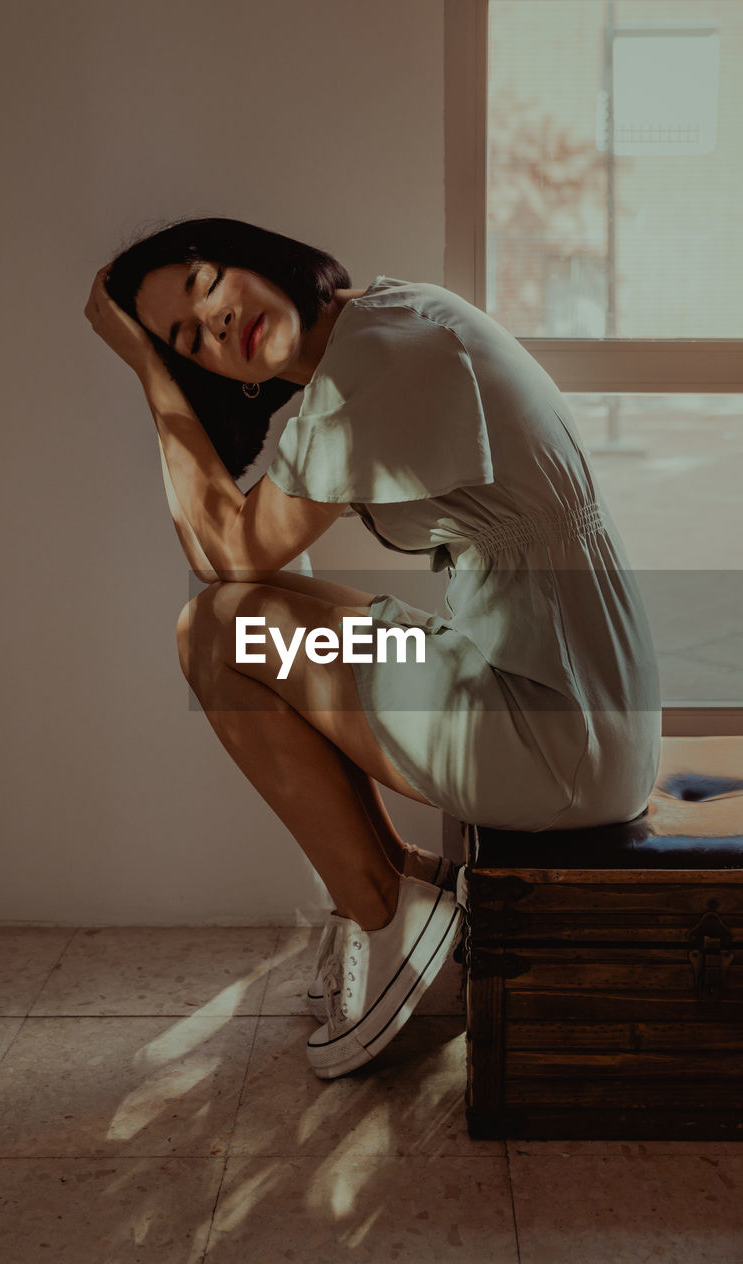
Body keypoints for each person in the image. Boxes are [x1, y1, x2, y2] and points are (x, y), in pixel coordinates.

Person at [84, 216, 662, 1080]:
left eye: (205, 286)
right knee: (241, 613)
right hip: (565, 696)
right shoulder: (386, 320)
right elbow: (238, 572)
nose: (213, 325)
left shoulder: (373, 367)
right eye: (184, 340)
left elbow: (224, 550)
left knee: (218, 631)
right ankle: (403, 895)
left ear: (253, 254)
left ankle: (382, 905)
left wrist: (145, 368)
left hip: (553, 734)